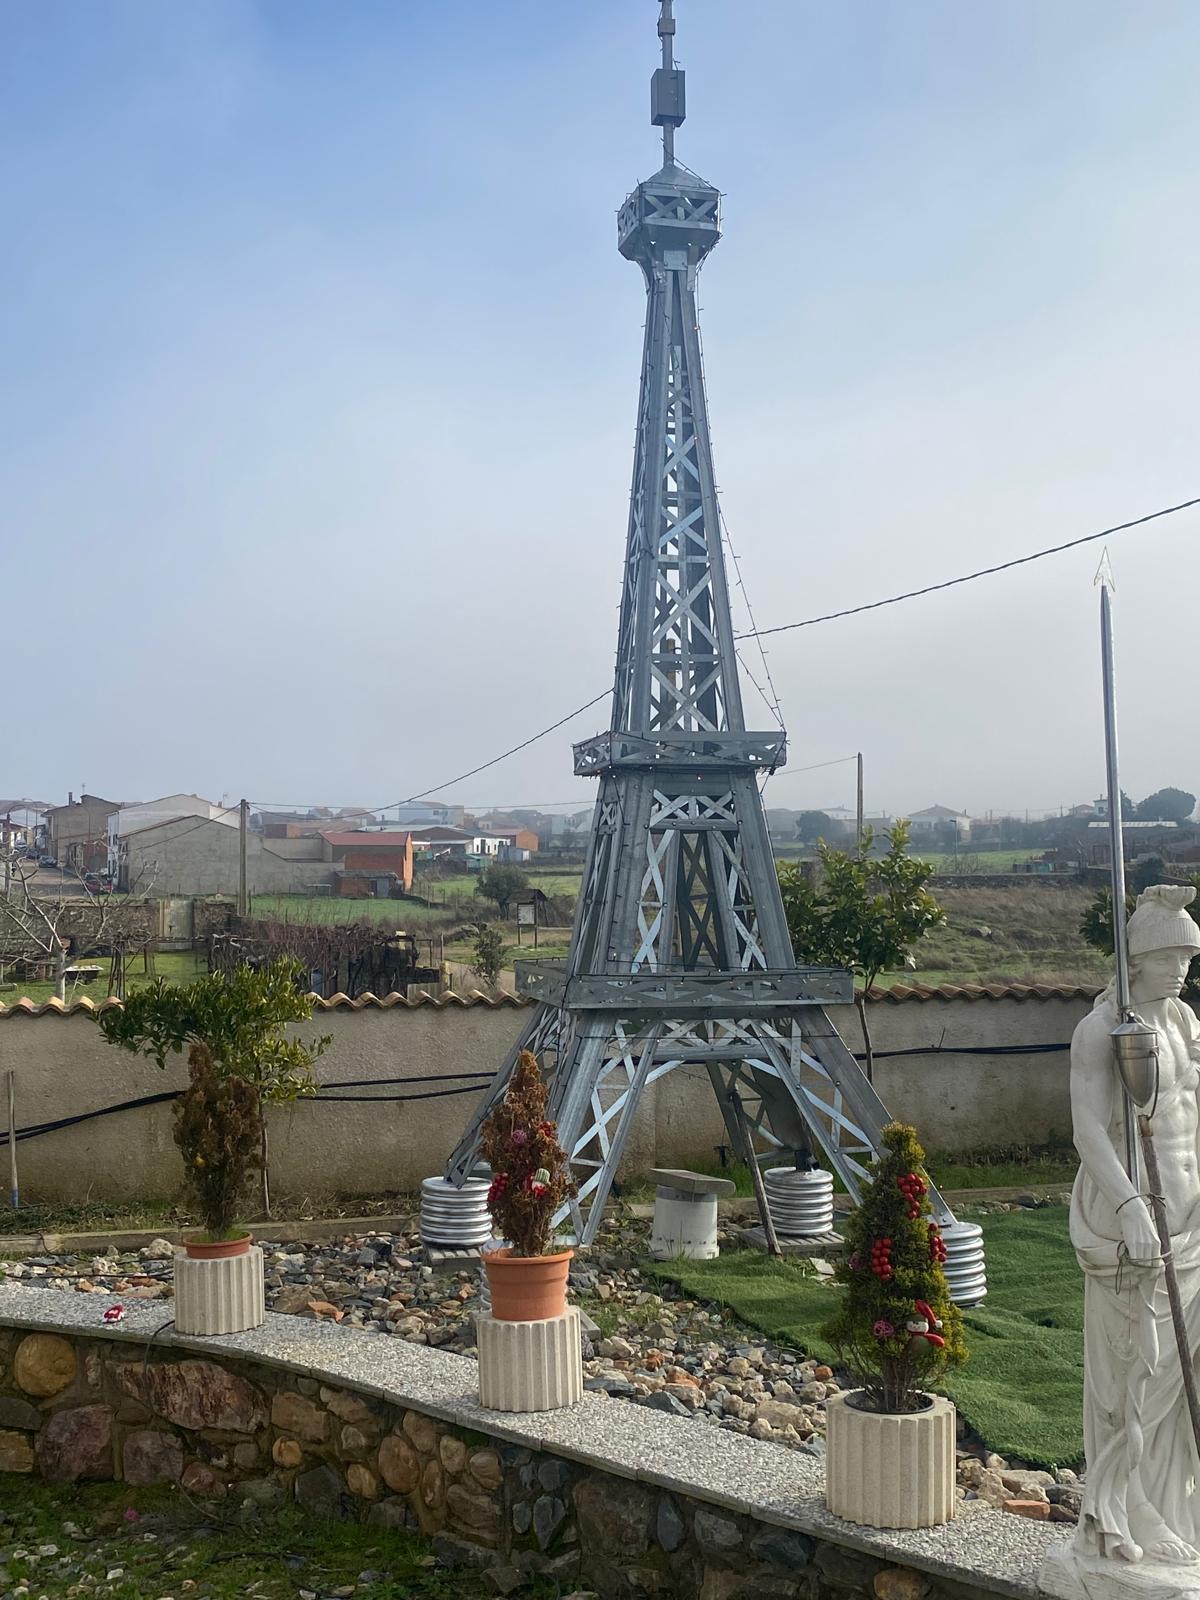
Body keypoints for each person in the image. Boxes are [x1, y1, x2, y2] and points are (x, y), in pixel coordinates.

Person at [1068, 884, 1200, 1567]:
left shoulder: (1184, 1023)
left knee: (1181, 1377)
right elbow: (1089, 1127)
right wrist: (1126, 1206)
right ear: (1135, 958)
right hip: (1134, 1227)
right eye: (1164, 953)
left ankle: (1170, 1500)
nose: (1178, 967)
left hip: (1190, 1223)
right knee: (1135, 1374)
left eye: (1187, 953)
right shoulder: (1102, 1030)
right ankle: (1127, 1509)